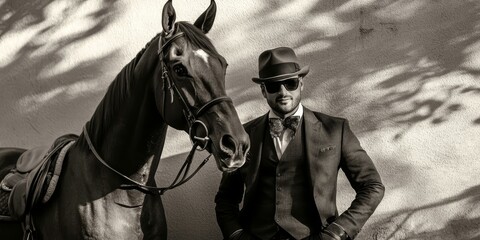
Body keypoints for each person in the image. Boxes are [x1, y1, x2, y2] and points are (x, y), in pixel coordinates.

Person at [215, 47, 385, 240]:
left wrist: (337, 232)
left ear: (301, 84)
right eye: (273, 86)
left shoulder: (336, 130)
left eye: (290, 83)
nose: (283, 91)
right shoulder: (243, 135)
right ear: (263, 91)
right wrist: (237, 235)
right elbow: (226, 199)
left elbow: (372, 186)